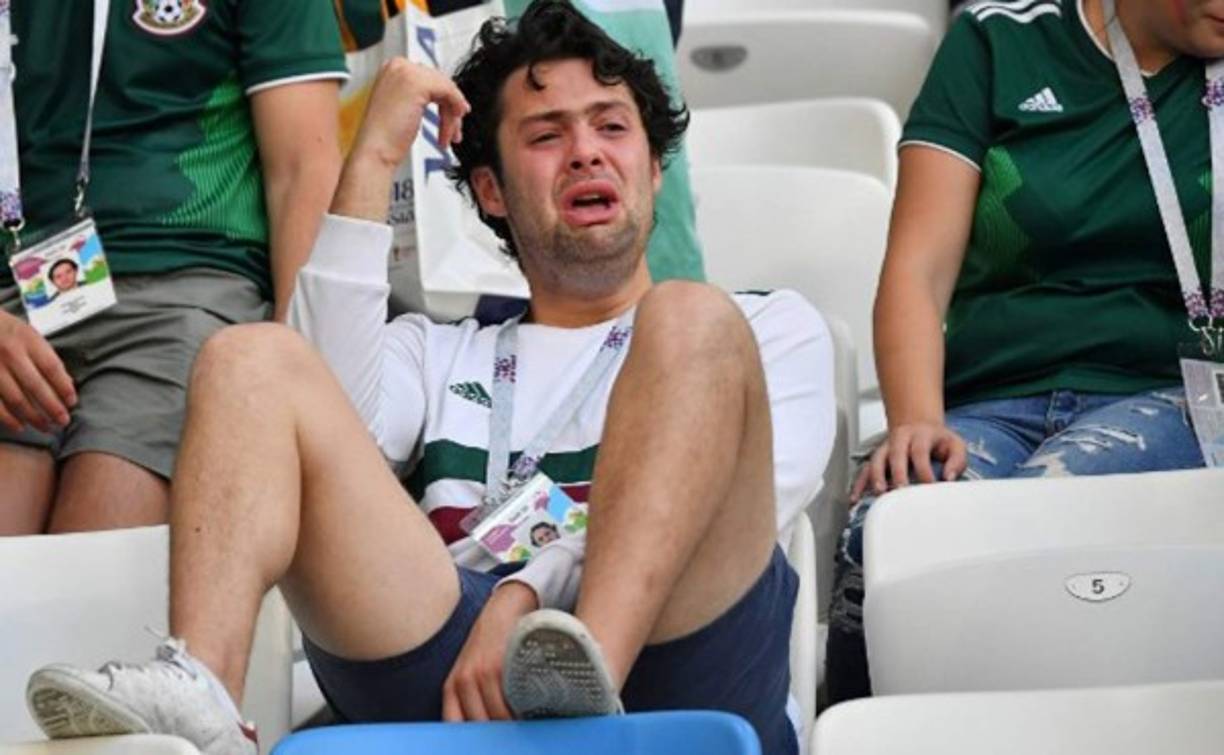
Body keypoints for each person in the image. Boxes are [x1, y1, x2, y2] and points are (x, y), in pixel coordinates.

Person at [25, 3, 834, 754]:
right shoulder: (440, 348)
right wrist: (374, 154)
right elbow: (307, 424)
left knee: (689, 316)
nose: (586, 149)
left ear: (655, 171)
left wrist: (532, 591)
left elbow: (765, 509)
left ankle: (589, 688)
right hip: (454, 664)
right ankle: (204, 690)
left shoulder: (764, 327)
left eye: (612, 127)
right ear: (490, 189)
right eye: (547, 135)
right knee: (248, 358)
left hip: (673, 648)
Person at [826, 0, 1219, 702]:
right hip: (988, 403)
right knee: (881, 534)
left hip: (1170, 394)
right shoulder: (1000, 37)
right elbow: (918, 270)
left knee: (1038, 517)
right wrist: (916, 419)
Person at [0, 1, 346, 534]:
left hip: (187, 287)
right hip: (12, 310)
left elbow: (303, 168)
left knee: (94, 565)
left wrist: (291, 390)